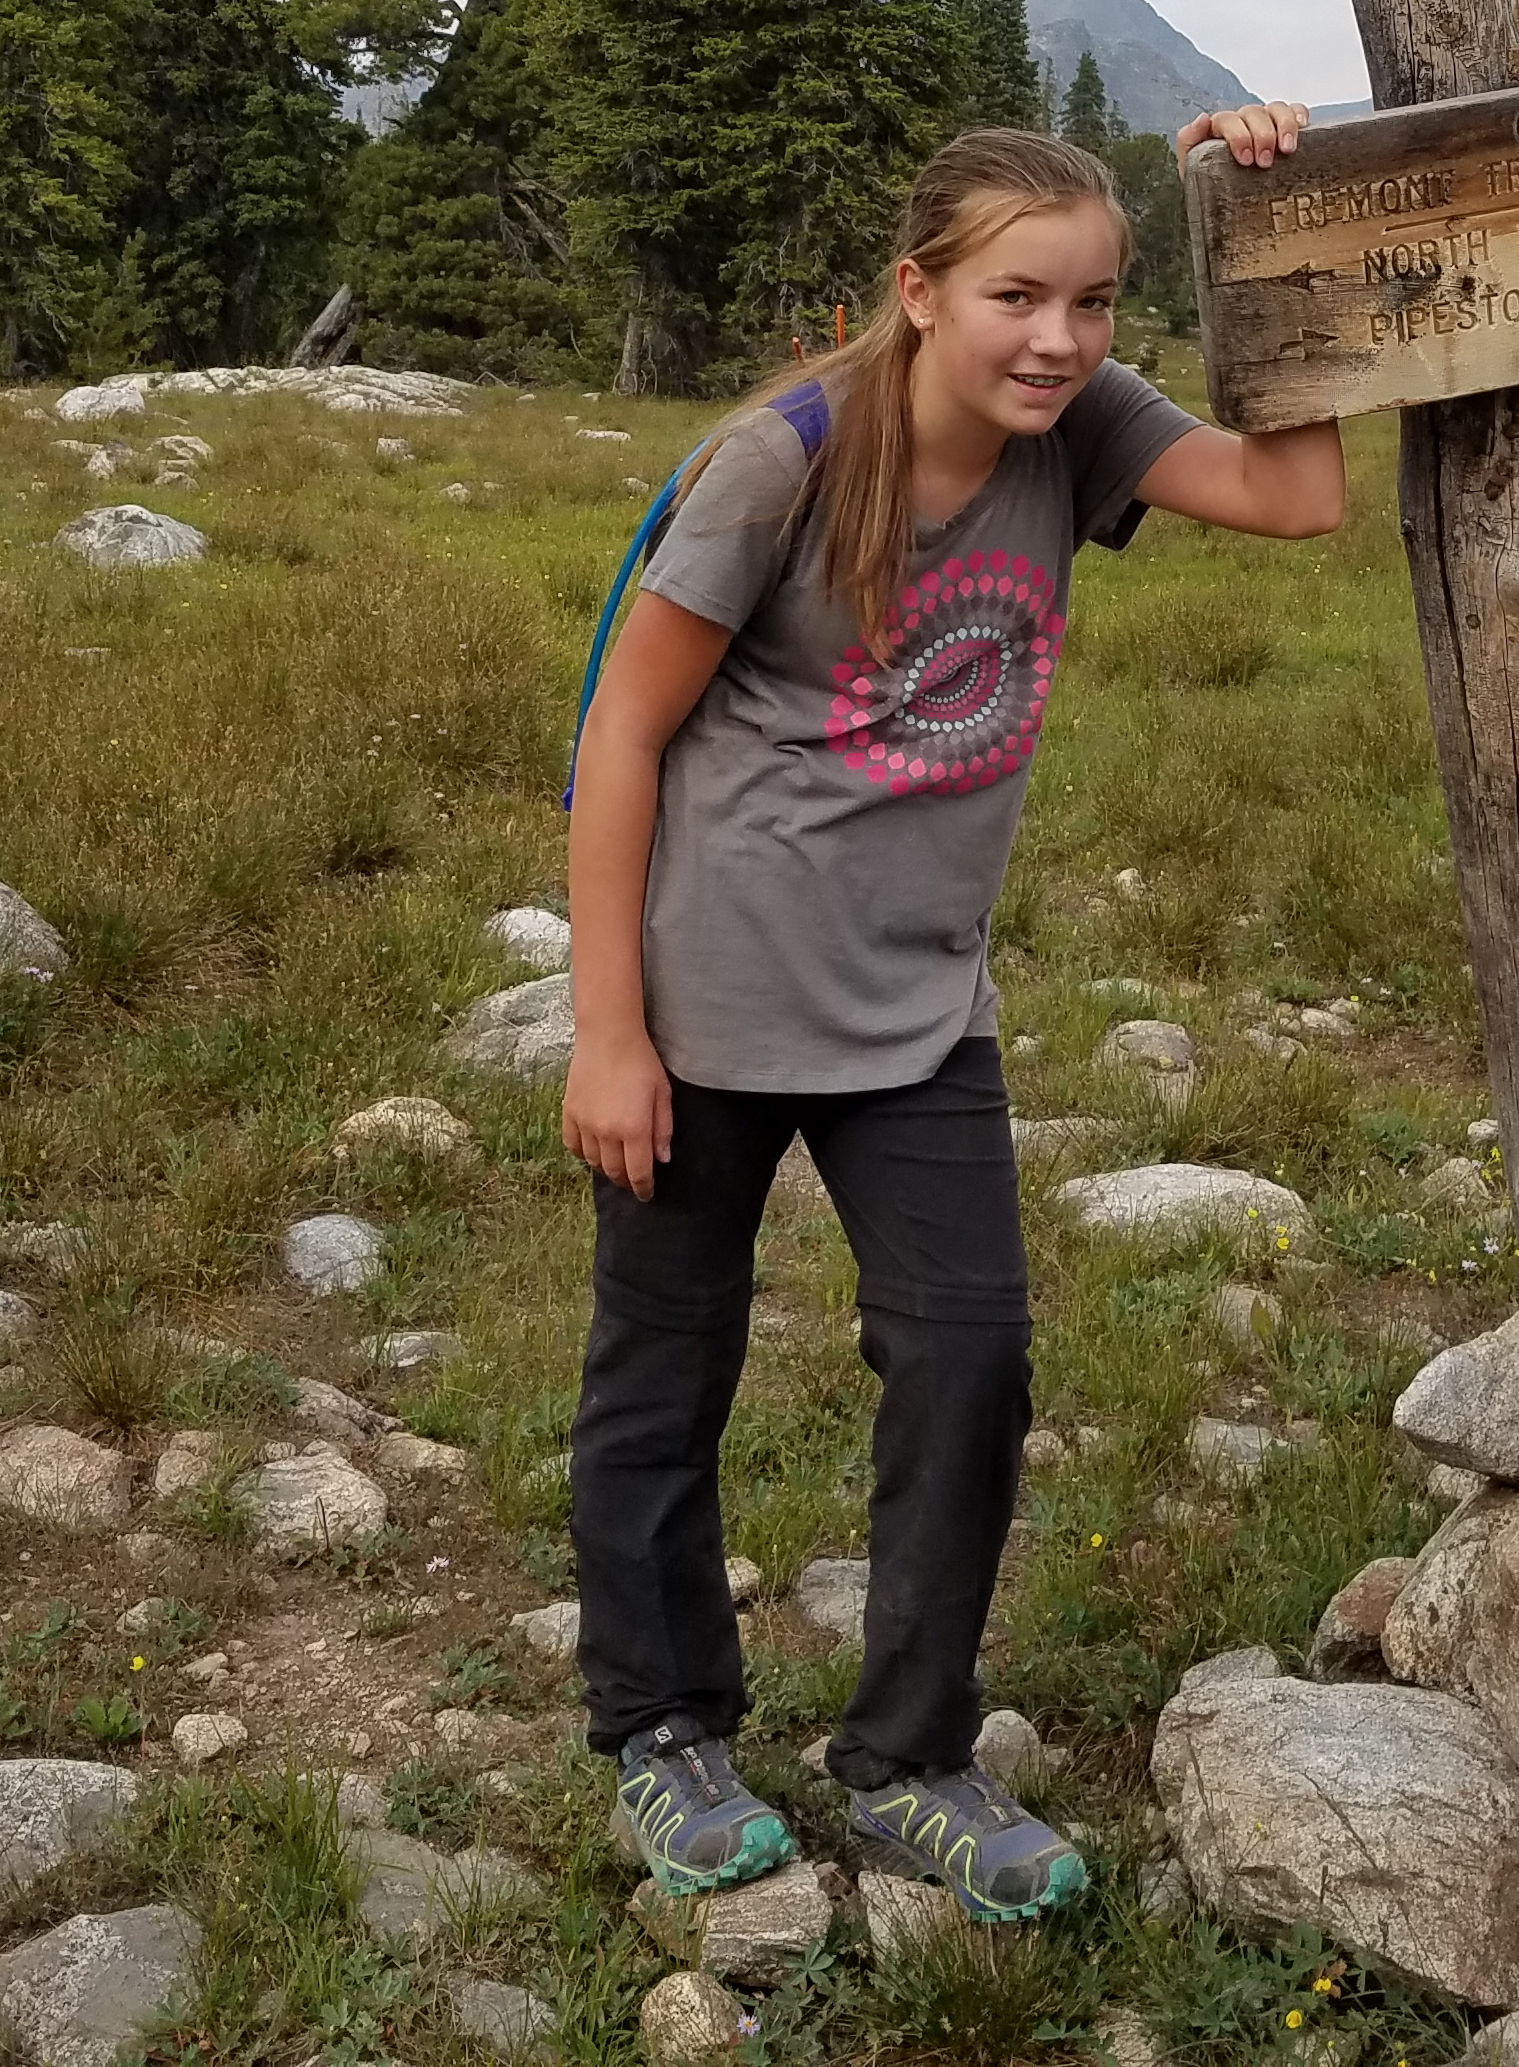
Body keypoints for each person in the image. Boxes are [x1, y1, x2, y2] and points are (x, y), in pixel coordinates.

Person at [557, 108, 1342, 1921]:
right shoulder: (782, 459)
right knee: (664, 1371)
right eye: (1013, 294)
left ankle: (908, 1755)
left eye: (1092, 297)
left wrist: (1277, 235)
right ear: (917, 293)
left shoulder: (1082, 429)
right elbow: (622, 730)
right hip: (706, 1000)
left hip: (917, 1007)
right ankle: (661, 1730)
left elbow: (1295, 493)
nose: (1057, 336)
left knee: (970, 1357)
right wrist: (609, 1029)